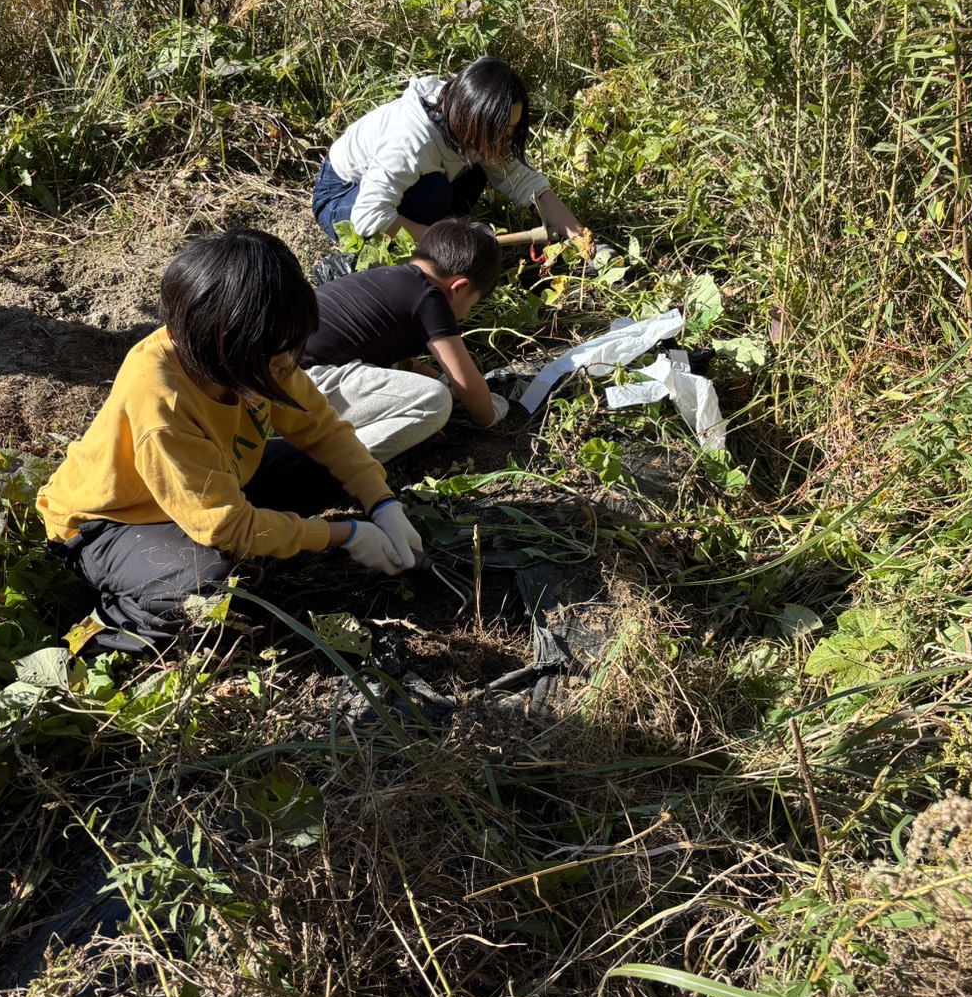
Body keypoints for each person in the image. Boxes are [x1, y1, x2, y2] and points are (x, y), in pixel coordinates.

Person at [37, 229, 423, 654]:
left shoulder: (258, 353)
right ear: (225, 343)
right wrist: (342, 533)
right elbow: (225, 528)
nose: (286, 363)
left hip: (213, 481)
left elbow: (323, 428)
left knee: (329, 467)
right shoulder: (161, 398)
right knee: (208, 586)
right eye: (276, 353)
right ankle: (107, 629)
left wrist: (381, 502)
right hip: (113, 523)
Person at [312, 55, 587, 245]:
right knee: (433, 193)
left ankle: (432, 226)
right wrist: (447, 240)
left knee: (472, 173)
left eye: (513, 129)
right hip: (342, 197)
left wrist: (582, 239)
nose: (508, 139)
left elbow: (524, 182)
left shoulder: (467, 113)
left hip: (386, 191)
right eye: (503, 131)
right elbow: (369, 218)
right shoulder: (411, 142)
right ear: (475, 122)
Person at [301, 218, 510, 463]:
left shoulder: (388, 279)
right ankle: (328, 464)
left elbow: (393, 355)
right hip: (305, 383)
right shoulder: (430, 298)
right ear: (459, 288)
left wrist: (436, 376)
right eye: (472, 304)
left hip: (282, 368)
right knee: (434, 401)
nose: (464, 315)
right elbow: (469, 386)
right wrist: (491, 414)